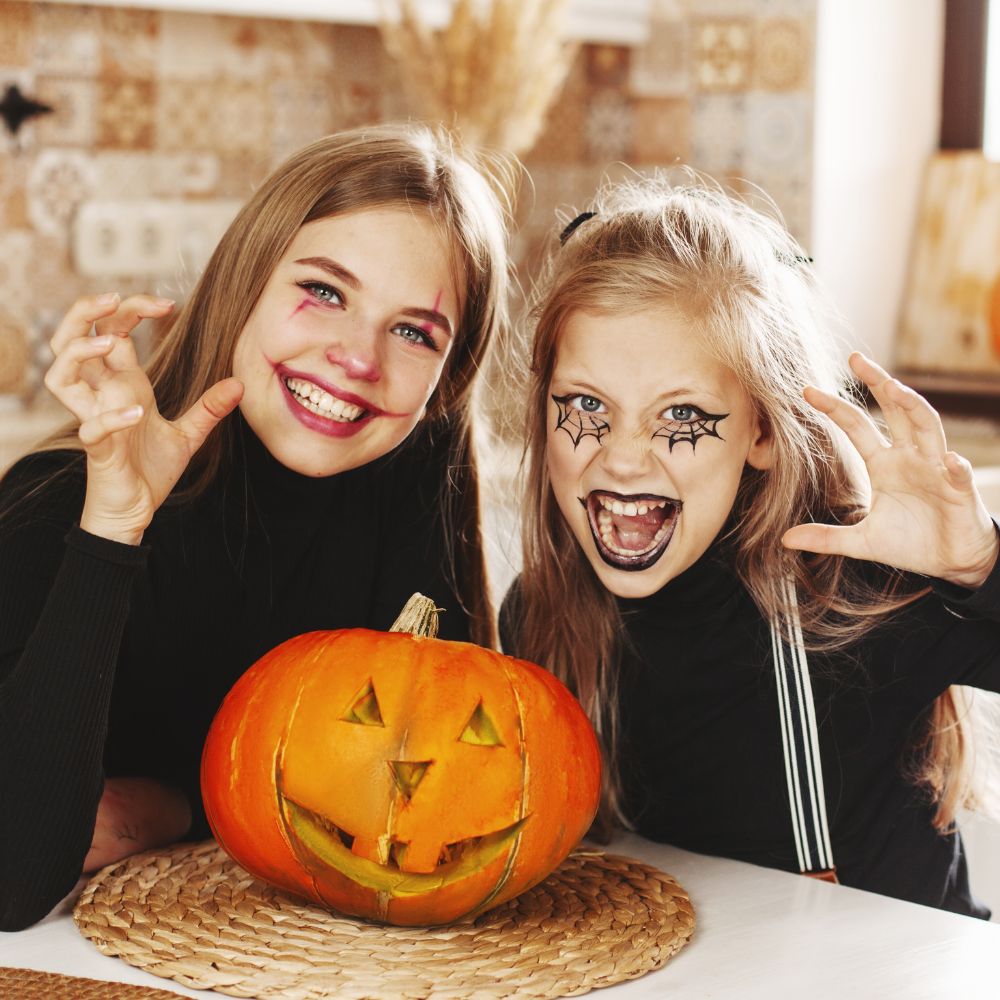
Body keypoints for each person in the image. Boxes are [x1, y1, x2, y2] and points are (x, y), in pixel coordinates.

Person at [0, 123, 514, 930]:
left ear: (447, 385)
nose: (358, 357)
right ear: (245, 283)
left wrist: (170, 808)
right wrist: (114, 524)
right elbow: (12, 879)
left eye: (414, 332)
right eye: (325, 291)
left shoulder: (410, 507)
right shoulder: (56, 504)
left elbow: (431, 824)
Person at [500, 175, 1000, 917]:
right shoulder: (537, 617)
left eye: (679, 414)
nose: (624, 459)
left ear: (761, 433)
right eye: (585, 406)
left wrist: (978, 565)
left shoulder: (862, 590)